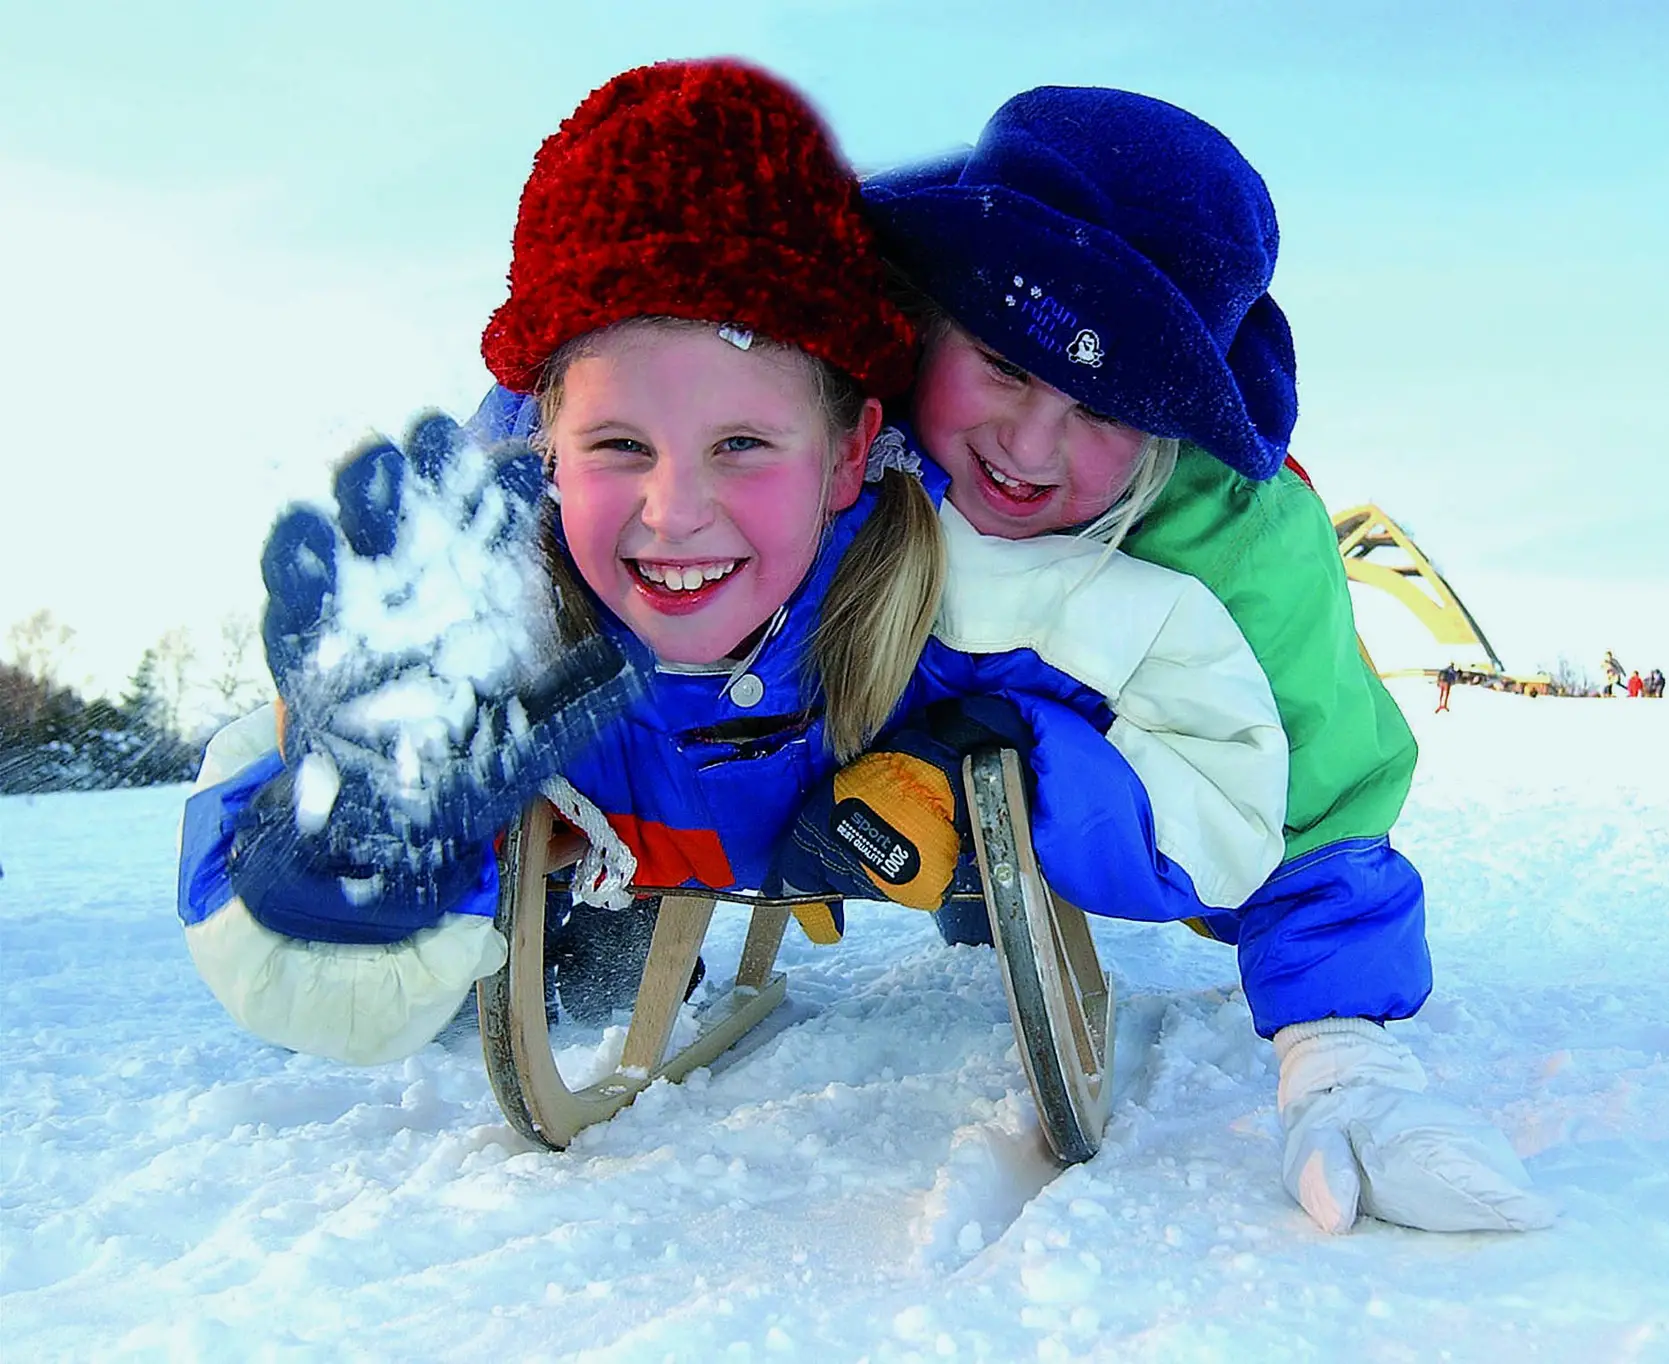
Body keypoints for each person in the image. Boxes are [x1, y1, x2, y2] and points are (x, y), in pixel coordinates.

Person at [175, 61, 1289, 1085]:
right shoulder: (486, 634)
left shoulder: (972, 592)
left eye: (742, 446)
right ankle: (579, 927)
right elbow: (284, 949)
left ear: (851, 451)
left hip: (849, 815)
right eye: (618, 446)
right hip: (630, 837)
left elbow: (1228, 779)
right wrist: (343, 864)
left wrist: (1008, 770)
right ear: (550, 450)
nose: (674, 512)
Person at [859, 85, 1551, 1235]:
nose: (1031, 448)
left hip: (1083, 753)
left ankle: (993, 864)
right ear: (931, 315)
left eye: (1103, 407)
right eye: (1001, 363)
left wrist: (1337, 1055)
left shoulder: (1242, 544)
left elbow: (1312, 795)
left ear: (1173, 417)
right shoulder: (813, 391)